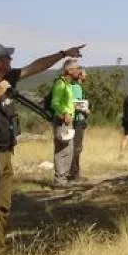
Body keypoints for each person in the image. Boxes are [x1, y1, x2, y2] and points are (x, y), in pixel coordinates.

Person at [0, 41, 85, 255]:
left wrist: (63, 54)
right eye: (8, 58)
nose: (12, 61)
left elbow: (36, 66)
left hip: (5, 150)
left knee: (3, 206)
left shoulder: (9, 77)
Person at [50, 58, 81, 187]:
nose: (79, 71)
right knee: (62, 150)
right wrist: (64, 113)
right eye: (77, 69)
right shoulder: (60, 84)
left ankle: (64, 178)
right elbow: (55, 102)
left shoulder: (68, 84)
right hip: (62, 120)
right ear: (69, 70)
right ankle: (59, 180)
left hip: (68, 121)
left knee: (68, 150)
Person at [69, 67, 90, 181]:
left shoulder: (72, 86)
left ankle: (72, 172)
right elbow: (75, 103)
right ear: (80, 75)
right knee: (77, 147)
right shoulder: (77, 87)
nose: (86, 76)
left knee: (74, 147)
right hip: (78, 120)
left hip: (74, 120)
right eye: (85, 74)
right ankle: (74, 174)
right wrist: (86, 110)